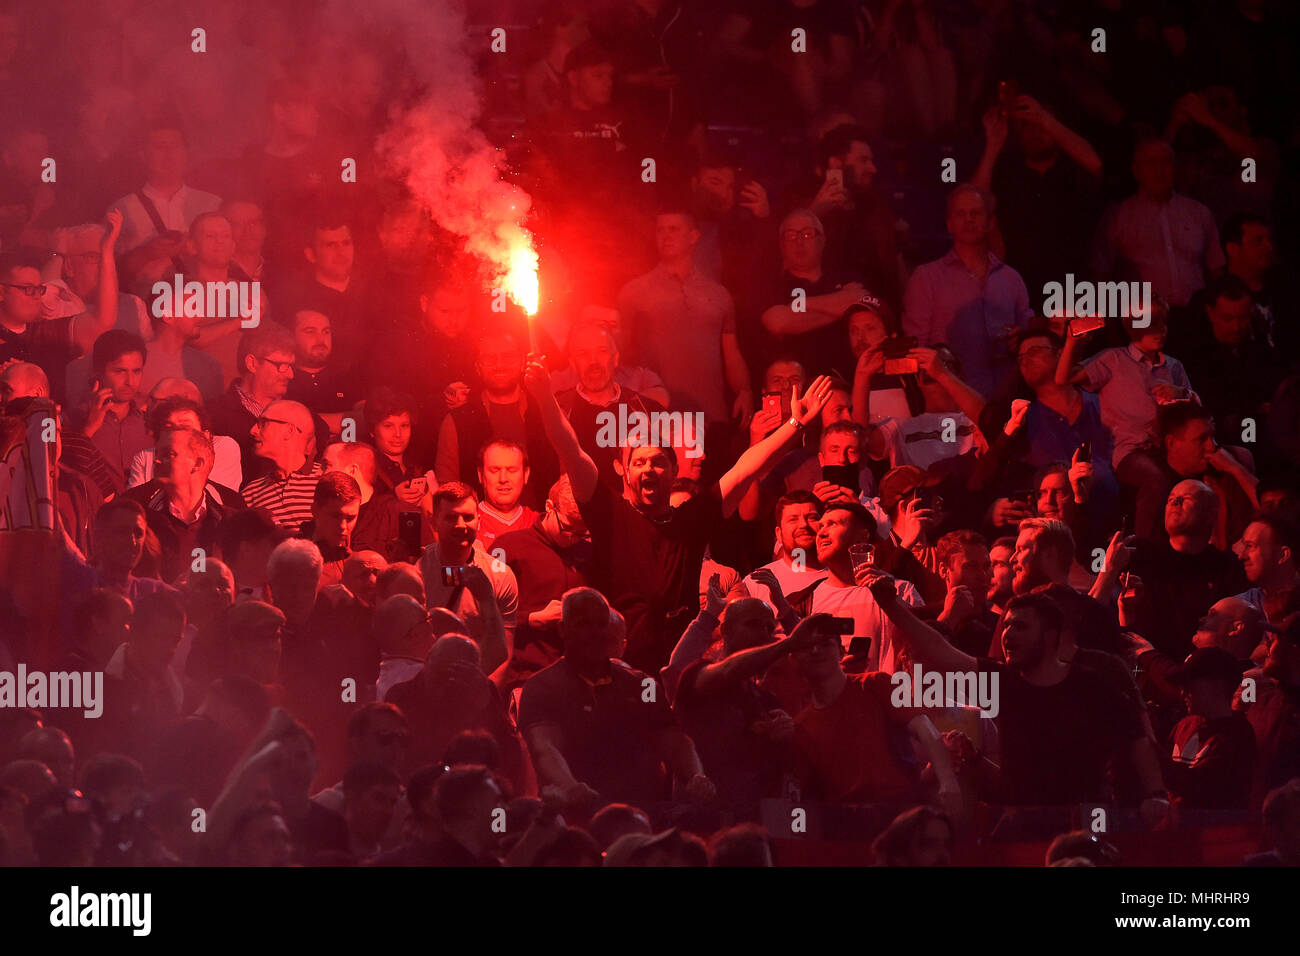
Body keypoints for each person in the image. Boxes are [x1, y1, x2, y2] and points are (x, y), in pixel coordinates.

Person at [524, 347, 833, 671]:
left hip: (681, 666)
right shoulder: (609, 514)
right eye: (639, 461)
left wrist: (795, 424)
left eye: (658, 462)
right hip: (618, 665)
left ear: (673, 471)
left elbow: (745, 470)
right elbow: (569, 448)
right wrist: (545, 396)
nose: (648, 468)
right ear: (623, 471)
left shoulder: (691, 520)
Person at [868, 584, 1166, 824]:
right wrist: (890, 605)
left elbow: (1137, 740)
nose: (1008, 635)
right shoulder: (1004, 680)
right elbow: (941, 651)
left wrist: (1156, 794)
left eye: (1021, 627)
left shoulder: (1093, 686)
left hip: (1081, 817)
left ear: (1050, 635)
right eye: (1007, 626)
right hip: (1020, 818)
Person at [518, 588, 715, 820]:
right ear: (563, 629)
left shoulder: (643, 685)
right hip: (579, 817)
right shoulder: (542, 686)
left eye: (602, 625)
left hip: (643, 813)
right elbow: (545, 748)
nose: (596, 633)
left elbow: (673, 738)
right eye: (584, 624)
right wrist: (569, 786)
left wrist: (695, 775)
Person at [790, 613, 960, 813]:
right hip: (843, 820)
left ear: (841, 650)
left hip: (899, 809)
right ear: (794, 658)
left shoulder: (877, 684)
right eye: (807, 647)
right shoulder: (801, 725)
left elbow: (925, 729)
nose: (816, 651)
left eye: (825, 643)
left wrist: (948, 782)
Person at [618, 207, 752, 437]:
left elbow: (732, 355)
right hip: (657, 419)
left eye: (674, 229)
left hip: (712, 416)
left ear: (694, 236)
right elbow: (618, 354)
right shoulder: (634, 293)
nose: (666, 236)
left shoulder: (718, 294)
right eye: (660, 230)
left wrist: (745, 390)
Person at [903, 184, 1033, 396]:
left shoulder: (1011, 278)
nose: (968, 219)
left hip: (1006, 398)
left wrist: (1022, 337)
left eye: (975, 213)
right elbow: (916, 348)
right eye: (960, 214)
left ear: (991, 222)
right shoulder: (926, 278)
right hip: (952, 402)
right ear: (949, 224)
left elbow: (1029, 336)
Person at [972, 91, 1103, 302]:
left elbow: (1096, 165)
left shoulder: (1074, 170)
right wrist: (993, 144)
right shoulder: (1007, 173)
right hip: (1020, 292)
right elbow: (972, 202)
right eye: (1027, 126)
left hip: (1076, 290)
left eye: (1040, 126)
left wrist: (1044, 119)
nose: (1035, 133)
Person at [786, 501, 923, 673]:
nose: (821, 533)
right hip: (840, 699)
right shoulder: (805, 603)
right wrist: (836, 672)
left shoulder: (901, 591)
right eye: (820, 526)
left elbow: (925, 648)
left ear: (862, 536)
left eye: (833, 524)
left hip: (892, 698)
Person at [0, 214, 122, 403]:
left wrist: (107, 252)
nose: (36, 295)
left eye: (39, 289)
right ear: (1, 292)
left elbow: (102, 322)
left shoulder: (44, 333)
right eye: (27, 289)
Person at [1092, 139, 1224, 309]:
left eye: (1165, 162)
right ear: (1136, 170)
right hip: (1142, 316)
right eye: (1150, 163)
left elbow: (1216, 268)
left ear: (1175, 168)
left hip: (1195, 312)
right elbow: (1100, 272)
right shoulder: (1119, 215)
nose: (1159, 170)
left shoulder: (1198, 212)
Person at [435, 330, 560, 509]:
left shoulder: (547, 413)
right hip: (481, 532)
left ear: (522, 362)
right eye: (489, 359)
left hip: (541, 528)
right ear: (478, 367)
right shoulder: (457, 421)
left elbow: (567, 480)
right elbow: (447, 489)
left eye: (508, 357)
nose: (499, 365)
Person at [1126, 481, 1248, 657]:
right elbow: (1092, 562)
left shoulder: (1226, 566)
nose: (1175, 502)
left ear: (1209, 515)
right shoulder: (1141, 553)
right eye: (1171, 499)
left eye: (1186, 498)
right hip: (1145, 661)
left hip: (1203, 667)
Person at [416, 482, 517, 676]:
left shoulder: (500, 575)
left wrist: (480, 697)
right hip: (425, 685)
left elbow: (504, 654)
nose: (461, 525)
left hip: (475, 685)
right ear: (434, 520)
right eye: (451, 518)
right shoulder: (416, 570)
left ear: (479, 519)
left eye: (468, 517)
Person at [554, 321, 667, 492]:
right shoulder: (557, 412)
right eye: (583, 354)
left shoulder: (646, 410)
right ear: (572, 362)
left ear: (615, 359)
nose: (593, 362)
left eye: (602, 351)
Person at [124, 426, 245, 583]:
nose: (156, 460)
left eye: (169, 454)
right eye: (157, 453)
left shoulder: (229, 522)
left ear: (198, 464)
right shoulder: (140, 521)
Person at [758, 208, 865, 378]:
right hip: (795, 387)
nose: (799, 242)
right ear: (781, 245)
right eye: (791, 236)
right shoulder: (773, 285)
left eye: (807, 234)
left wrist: (800, 304)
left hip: (845, 383)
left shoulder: (845, 277)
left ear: (823, 240)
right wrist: (843, 306)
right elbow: (779, 322)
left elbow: (862, 300)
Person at [1162, 647, 1255, 811]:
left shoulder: (1238, 736)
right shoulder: (1184, 726)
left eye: (1190, 684)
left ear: (1217, 685)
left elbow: (1199, 787)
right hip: (1176, 832)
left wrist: (1146, 746)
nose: (1183, 692)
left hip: (1215, 834)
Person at [208, 324, 299, 478]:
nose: (291, 374)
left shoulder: (296, 410)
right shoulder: (215, 416)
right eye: (282, 365)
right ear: (252, 363)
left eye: (291, 366)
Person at [69, 329, 152, 486]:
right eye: (120, 371)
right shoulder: (74, 419)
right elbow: (67, 474)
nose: (130, 381)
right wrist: (90, 428)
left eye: (136, 371)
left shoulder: (150, 420)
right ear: (98, 371)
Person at [239, 399, 324, 534]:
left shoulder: (326, 478)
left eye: (263, 423)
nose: (253, 430)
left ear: (289, 430)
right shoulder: (249, 494)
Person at [742, 490, 829, 608]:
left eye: (812, 518)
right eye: (793, 519)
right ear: (779, 533)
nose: (803, 524)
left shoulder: (844, 574)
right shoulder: (756, 583)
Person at [284, 309, 356, 438]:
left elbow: (365, 420)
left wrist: (303, 420)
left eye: (326, 332)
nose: (321, 339)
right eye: (310, 331)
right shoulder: (283, 379)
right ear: (292, 336)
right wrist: (342, 420)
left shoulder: (347, 378)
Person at [475, 440, 539, 551]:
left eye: (512, 470)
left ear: (526, 474)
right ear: (480, 475)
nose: (503, 479)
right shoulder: (466, 524)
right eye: (494, 470)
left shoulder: (539, 524)